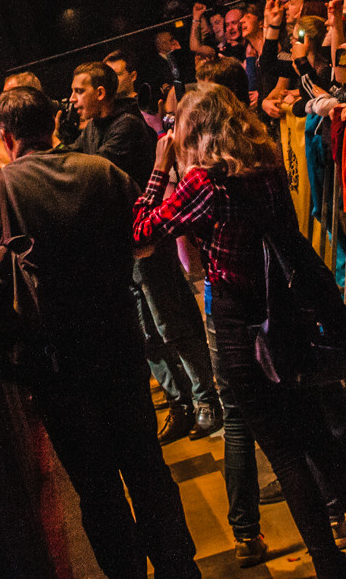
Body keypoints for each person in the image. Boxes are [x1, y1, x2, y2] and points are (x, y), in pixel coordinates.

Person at [134, 86, 346, 578]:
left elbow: (140, 235)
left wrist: (158, 170)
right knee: (320, 440)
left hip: (241, 329)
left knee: (285, 456)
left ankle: (329, 567)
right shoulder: (266, 165)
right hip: (288, 315)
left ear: (193, 134)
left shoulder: (204, 182)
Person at [0, 87, 201, 579]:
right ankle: (180, 568)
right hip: (118, 343)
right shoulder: (102, 172)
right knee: (146, 467)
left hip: (53, 363)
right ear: (53, 124)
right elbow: (143, 242)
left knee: (97, 488)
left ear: (6, 138)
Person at [69, 61, 222, 440]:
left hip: (147, 243)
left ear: (101, 93)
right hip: (120, 247)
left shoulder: (126, 127)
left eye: (78, 91)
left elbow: (89, 172)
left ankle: (206, 400)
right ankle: (180, 403)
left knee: (172, 323)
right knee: (147, 333)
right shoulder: (92, 129)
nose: (72, 100)